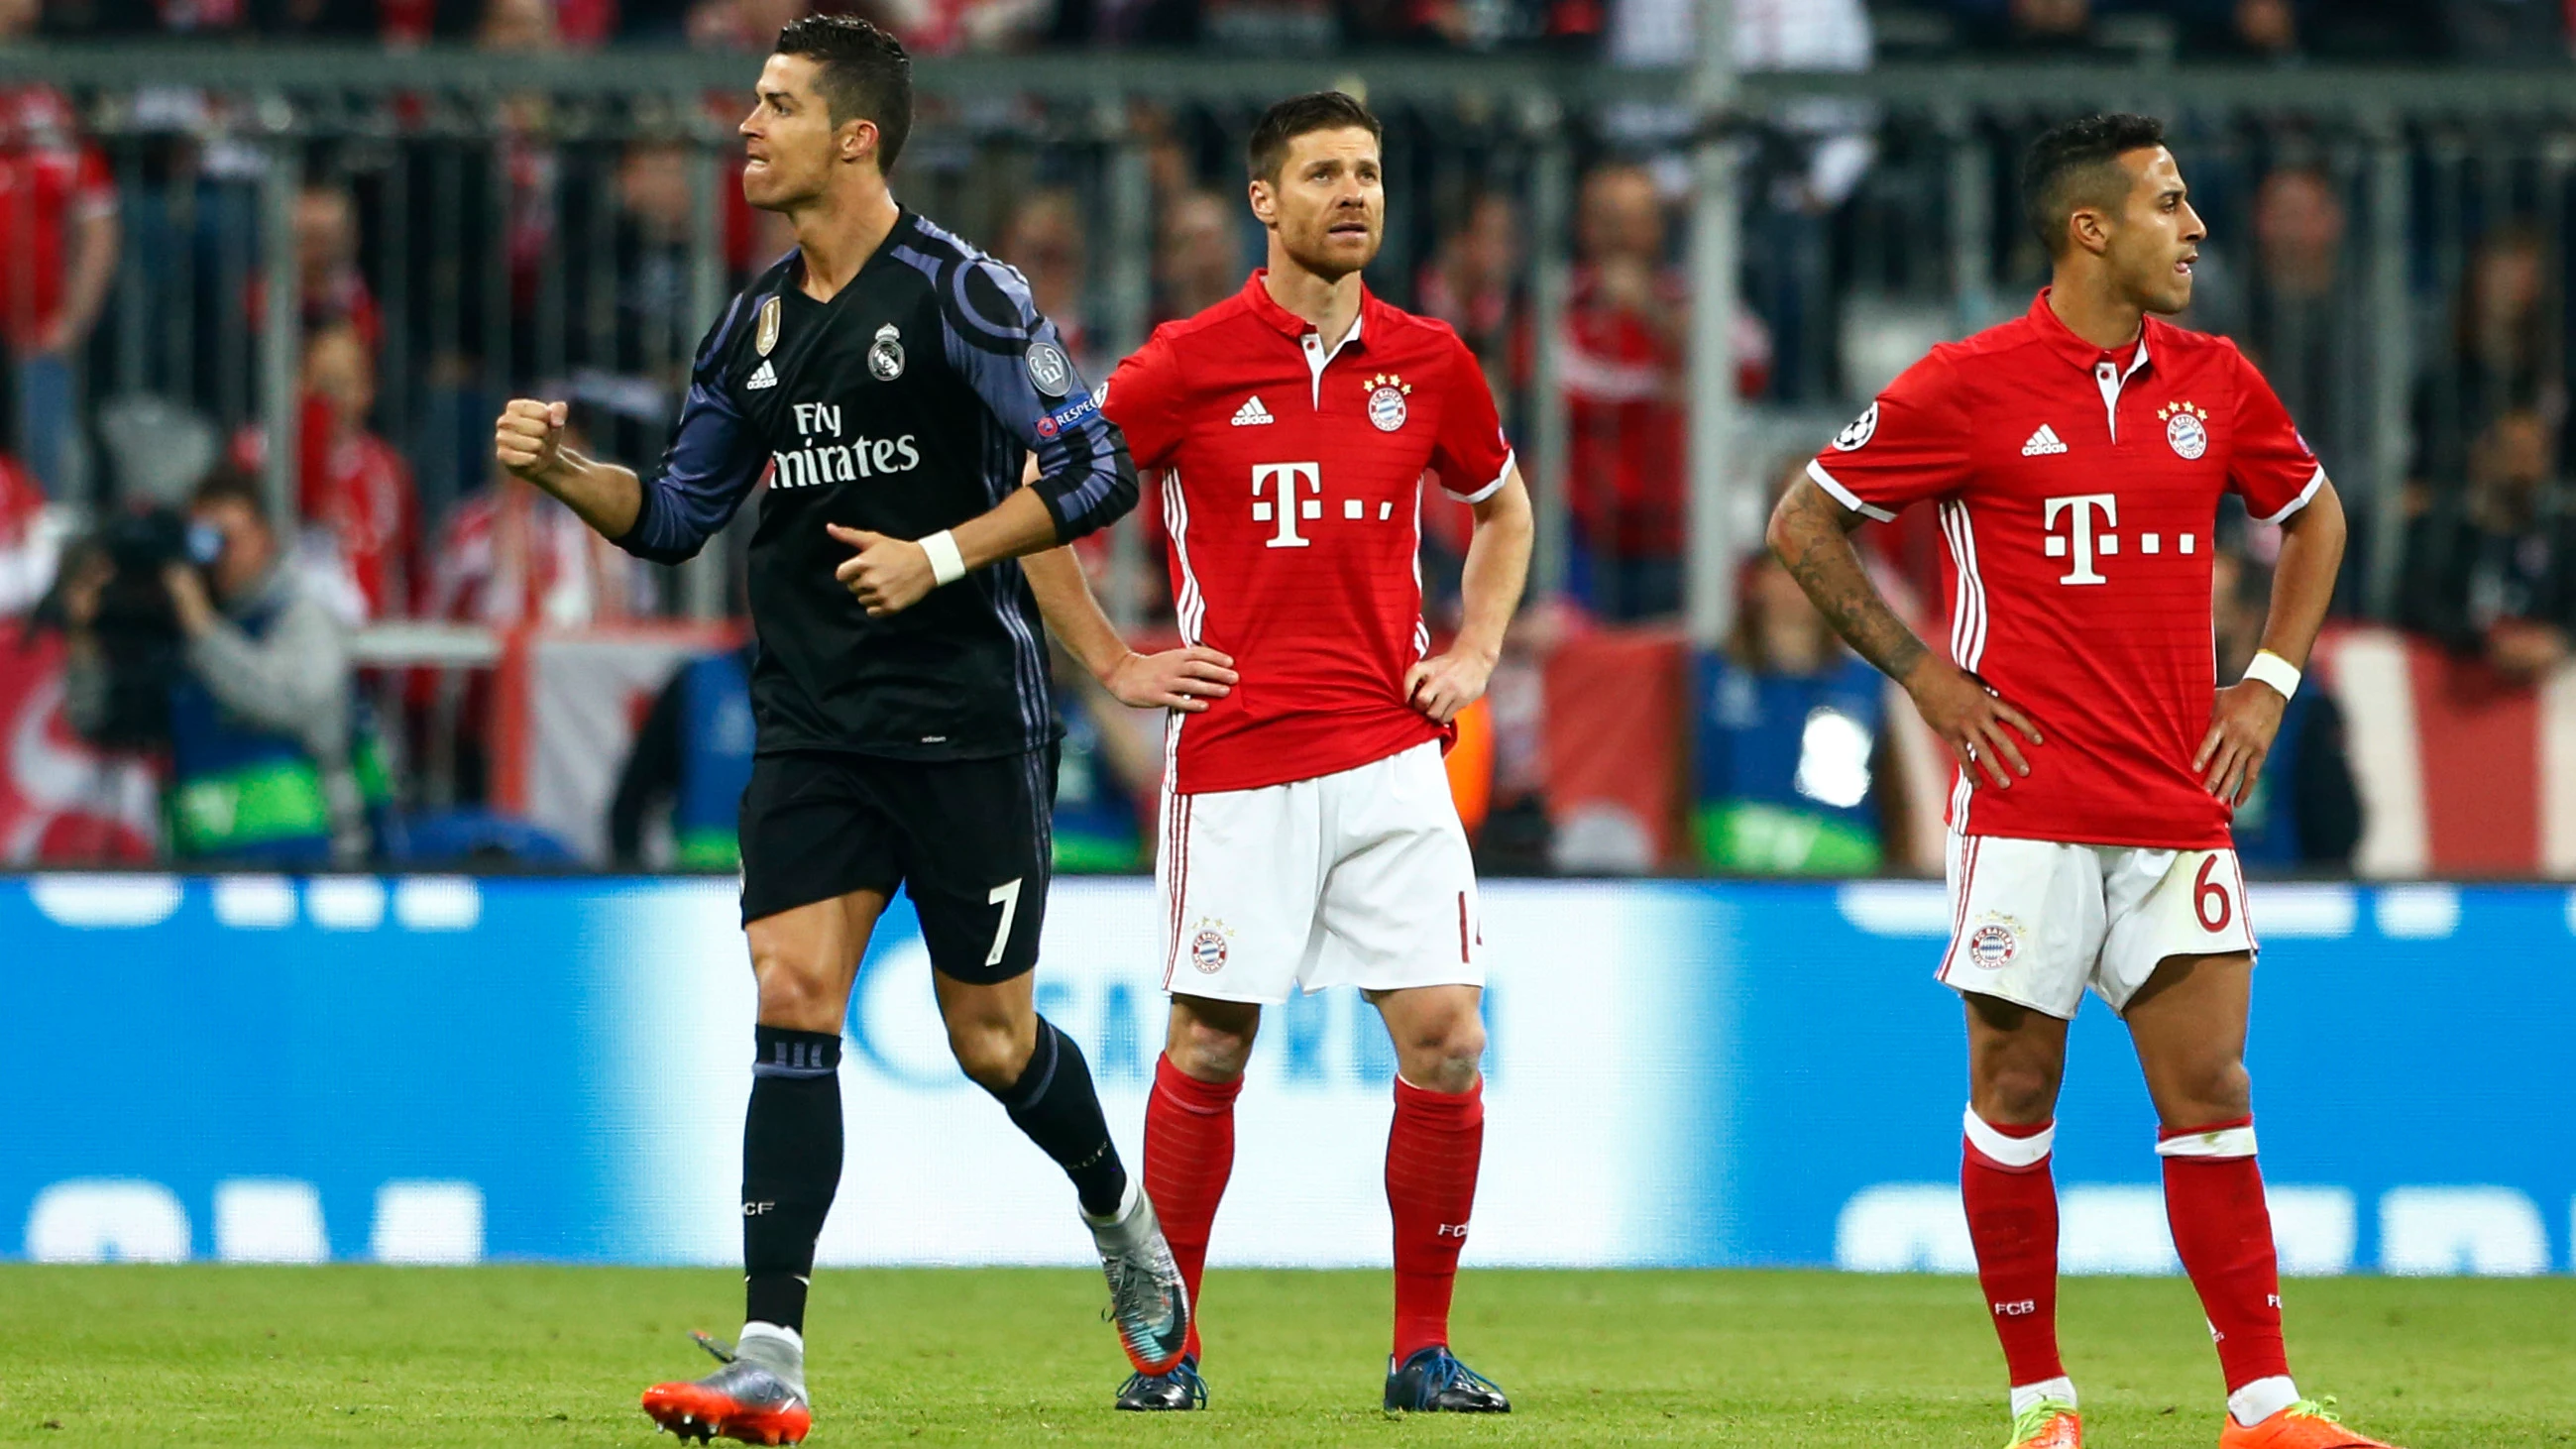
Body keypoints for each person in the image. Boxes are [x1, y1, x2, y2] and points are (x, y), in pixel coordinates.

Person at [492, 19, 1191, 1445]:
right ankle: (771, 1351)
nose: (744, 127)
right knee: (790, 987)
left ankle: (1119, 1215)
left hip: (965, 724)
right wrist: (572, 472)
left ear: (855, 135)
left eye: (775, 105)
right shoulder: (747, 326)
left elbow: (1096, 466)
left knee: (989, 1037)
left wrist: (940, 556)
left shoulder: (960, 293)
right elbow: (681, 518)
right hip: (812, 723)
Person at [1768, 114, 2398, 1449]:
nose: (2196, 229)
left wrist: (2265, 680)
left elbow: (2315, 514)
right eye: (2169, 203)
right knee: (2012, 1098)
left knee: (2212, 1090)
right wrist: (1925, 676)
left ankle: (2261, 1404)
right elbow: (1801, 518)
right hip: (2025, 804)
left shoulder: (2214, 378)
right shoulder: (1965, 383)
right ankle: (2039, 1404)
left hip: (2173, 802)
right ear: (2087, 228)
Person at [1021, 90, 1534, 1416]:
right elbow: (1039, 518)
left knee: (1446, 1041)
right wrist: (1116, 663)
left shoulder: (1428, 359)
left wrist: (1473, 649)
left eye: (1366, 171)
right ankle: (1164, 1350)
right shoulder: (1182, 362)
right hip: (1240, 757)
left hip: (1388, 750)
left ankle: (1419, 1349)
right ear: (1264, 200)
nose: (1352, 193)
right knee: (1204, 1045)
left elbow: (1499, 507)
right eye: (1322, 174)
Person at [60, 468, 373, 866]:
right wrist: (86, 636)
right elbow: (99, 722)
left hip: (309, 865)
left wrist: (201, 628)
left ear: (265, 538)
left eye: (227, 539)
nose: (214, 555)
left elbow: (294, 701)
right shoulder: (186, 628)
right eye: (202, 541)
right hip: (202, 870)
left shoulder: (298, 613)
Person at [0, 0, 121, 500]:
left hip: (38, 335)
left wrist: (73, 319)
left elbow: (99, 222)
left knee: (42, 482)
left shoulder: (52, 108)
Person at [2212, 547, 2359, 868]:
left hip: (2282, 892)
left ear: (2248, 614)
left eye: (2213, 611)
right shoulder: (2181, 704)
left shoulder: (2306, 707)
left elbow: (2337, 829)